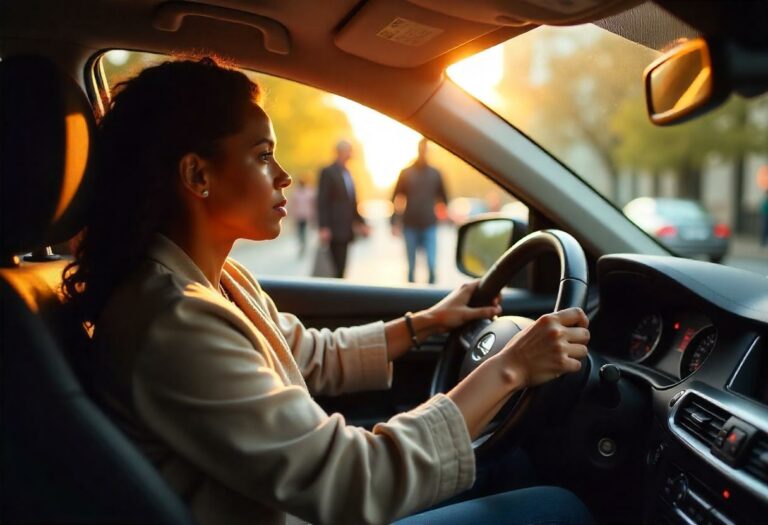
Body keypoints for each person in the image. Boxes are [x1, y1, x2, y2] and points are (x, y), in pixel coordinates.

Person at [62, 57, 593, 525]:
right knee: (558, 510)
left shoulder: (211, 282)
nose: (285, 175)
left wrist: (426, 323)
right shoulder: (173, 323)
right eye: (263, 154)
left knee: (511, 465)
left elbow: (307, 355)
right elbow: (352, 482)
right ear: (198, 174)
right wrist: (509, 368)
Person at [391, 139, 448, 284]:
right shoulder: (406, 173)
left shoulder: (436, 173)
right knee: (411, 266)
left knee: (431, 264)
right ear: (418, 150)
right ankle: (410, 295)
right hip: (410, 224)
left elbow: (444, 198)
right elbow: (396, 197)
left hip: (429, 223)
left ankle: (432, 295)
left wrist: (445, 215)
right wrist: (394, 222)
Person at [316, 140, 369, 277]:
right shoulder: (328, 172)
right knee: (336, 267)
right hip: (333, 228)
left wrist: (362, 223)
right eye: (349, 151)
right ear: (341, 152)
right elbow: (323, 200)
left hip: (346, 229)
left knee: (342, 267)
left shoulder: (348, 173)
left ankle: (337, 292)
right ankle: (333, 295)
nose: (351, 154)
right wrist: (323, 226)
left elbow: (352, 203)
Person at [288, 177, 315, 256]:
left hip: (306, 215)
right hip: (298, 215)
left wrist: (312, 213)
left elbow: (312, 203)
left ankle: (303, 244)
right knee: (300, 231)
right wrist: (290, 213)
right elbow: (293, 203)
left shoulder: (309, 191)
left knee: (303, 231)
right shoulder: (296, 192)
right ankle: (301, 243)